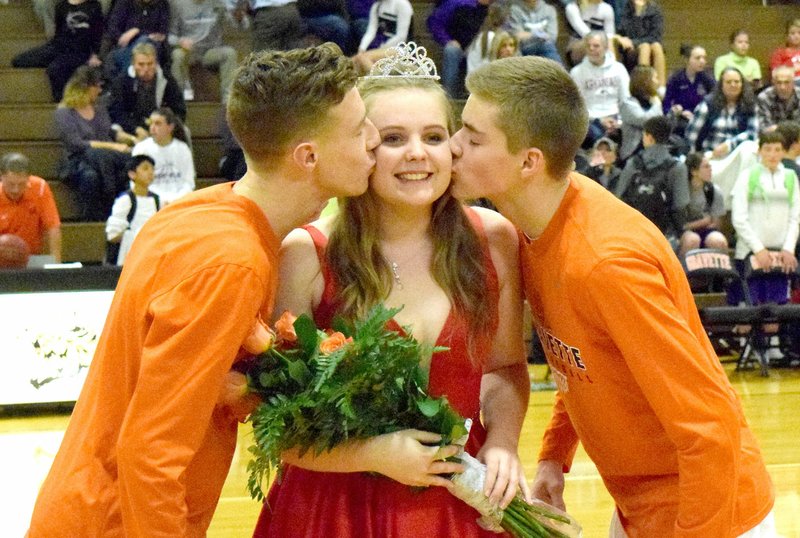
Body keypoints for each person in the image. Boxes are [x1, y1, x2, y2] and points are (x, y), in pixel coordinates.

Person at [27, 43, 380, 537]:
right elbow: (150, 453)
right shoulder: (232, 263)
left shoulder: (199, 212)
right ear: (308, 156)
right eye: (359, 127)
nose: (374, 140)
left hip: (86, 507)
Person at [449, 54, 775, 537]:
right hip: (641, 507)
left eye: (472, 138)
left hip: (711, 514)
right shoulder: (538, 224)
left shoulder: (606, 263)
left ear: (528, 162)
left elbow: (712, 429)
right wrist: (554, 458)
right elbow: (587, 360)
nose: (452, 147)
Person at [253, 52, 530, 537]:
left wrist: (503, 443)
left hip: (460, 501)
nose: (417, 153)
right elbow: (273, 421)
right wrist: (372, 453)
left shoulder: (495, 239)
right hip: (335, 511)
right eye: (393, 139)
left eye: (434, 137)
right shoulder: (306, 254)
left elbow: (505, 367)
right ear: (362, 148)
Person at [54, 65, 131, 221]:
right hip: (79, 160)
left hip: (106, 159)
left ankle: (120, 215)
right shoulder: (64, 112)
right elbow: (76, 144)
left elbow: (110, 132)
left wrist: (132, 139)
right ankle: (94, 219)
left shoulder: (100, 108)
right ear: (87, 88)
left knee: (124, 168)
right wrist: (112, 146)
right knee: (91, 176)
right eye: (97, 86)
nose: (99, 91)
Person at [731, 130, 800, 304]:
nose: (772, 154)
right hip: (750, 254)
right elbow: (739, 218)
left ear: (784, 152)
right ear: (760, 151)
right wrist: (758, 249)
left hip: (780, 256)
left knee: (776, 316)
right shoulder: (747, 176)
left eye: (777, 150)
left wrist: (788, 249)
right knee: (748, 313)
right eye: (768, 149)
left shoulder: (790, 178)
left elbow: (795, 217)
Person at [685, 66, 759, 205]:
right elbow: (691, 136)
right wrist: (695, 161)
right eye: (729, 82)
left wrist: (729, 145)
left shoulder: (751, 104)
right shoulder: (707, 104)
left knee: (750, 148)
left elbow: (752, 134)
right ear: (721, 84)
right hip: (711, 156)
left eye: (737, 82)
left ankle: (739, 194)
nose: (733, 85)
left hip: (737, 157)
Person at [614, 115, 689, 248]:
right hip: (663, 236)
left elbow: (619, 197)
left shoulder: (633, 163)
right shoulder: (677, 167)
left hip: (632, 233)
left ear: (649, 137)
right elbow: (681, 205)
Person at [11, 0, 104, 102]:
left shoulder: (94, 6)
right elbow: (58, 32)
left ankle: (63, 102)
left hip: (80, 51)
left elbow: (98, 34)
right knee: (19, 61)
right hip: (58, 47)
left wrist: (94, 54)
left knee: (54, 70)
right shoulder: (61, 6)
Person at [109, 42, 187, 144]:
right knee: (114, 130)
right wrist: (136, 129)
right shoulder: (122, 81)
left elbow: (179, 110)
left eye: (150, 64)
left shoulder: (167, 80)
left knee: (185, 131)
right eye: (141, 64)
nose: (146, 69)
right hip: (131, 126)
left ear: (156, 63)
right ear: (133, 64)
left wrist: (165, 126)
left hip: (160, 126)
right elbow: (116, 112)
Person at [169, 0, 239, 102]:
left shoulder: (218, 3)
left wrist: (239, 18)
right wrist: (180, 41)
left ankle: (228, 102)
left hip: (210, 51)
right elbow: (170, 36)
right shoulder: (178, 4)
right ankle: (177, 101)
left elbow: (238, 26)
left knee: (230, 53)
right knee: (176, 55)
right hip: (188, 51)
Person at [570, 30, 629, 148]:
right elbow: (576, 106)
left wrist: (620, 122)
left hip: (616, 116)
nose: (591, 49)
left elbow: (626, 100)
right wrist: (599, 120)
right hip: (591, 120)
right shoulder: (576, 72)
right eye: (588, 46)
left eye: (596, 46)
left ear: (606, 47)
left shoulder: (619, 69)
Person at [0, 153, 62, 263]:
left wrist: (56, 266)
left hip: (31, 258)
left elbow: (53, 227)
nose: (16, 190)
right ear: (2, 177)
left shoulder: (40, 188)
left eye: (21, 184)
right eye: (11, 184)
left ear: (28, 178)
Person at [132, 107, 196, 205]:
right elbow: (135, 183)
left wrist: (175, 201)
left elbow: (189, 183)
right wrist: (158, 201)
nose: (152, 128)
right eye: (151, 123)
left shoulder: (183, 149)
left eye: (158, 124)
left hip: (178, 202)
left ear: (170, 127)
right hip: (150, 203)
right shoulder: (141, 149)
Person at [427, 0, 490, 98]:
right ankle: (449, 97)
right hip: (459, 47)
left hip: (484, 46)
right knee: (451, 50)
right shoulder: (457, 3)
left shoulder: (498, 7)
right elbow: (435, 23)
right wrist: (447, 40)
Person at [105, 154, 160, 265]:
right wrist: (135, 237)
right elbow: (112, 235)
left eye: (152, 169)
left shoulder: (157, 200)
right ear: (132, 174)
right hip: (128, 258)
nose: (150, 173)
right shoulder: (126, 200)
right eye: (145, 168)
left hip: (150, 255)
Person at [102, 0, 171, 78]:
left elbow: (161, 34)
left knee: (143, 41)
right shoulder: (124, 2)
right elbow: (112, 28)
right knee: (112, 57)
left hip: (152, 47)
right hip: (126, 46)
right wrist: (124, 37)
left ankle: (127, 81)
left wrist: (136, 31)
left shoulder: (162, 4)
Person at [678, 152, 728, 258]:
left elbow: (716, 223)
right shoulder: (681, 190)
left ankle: (718, 274)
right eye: (706, 167)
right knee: (692, 240)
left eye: (710, 166)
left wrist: (708, 223)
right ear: (694, 171)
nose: (710, 170)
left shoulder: (713, 191)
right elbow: (680, 225)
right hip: (683, 232)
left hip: (707, 231)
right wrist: (702, 222)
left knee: (718, 241)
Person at [662, 43, 715, 136]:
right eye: (698, 58)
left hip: (702, 118)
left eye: (704, 58)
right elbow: (666, 104)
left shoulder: (707, 78)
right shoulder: (675, 78)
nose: (702, 61)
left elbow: (715, 100)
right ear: (687, 60)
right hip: (681, 121)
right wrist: (678, 111)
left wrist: (697, 116)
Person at [615, 0, 665, 90]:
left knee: (657, 46)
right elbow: (623, 32)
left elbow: (656, 36)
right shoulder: (626, 9)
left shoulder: (655, 9)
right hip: (631, 49)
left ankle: (661, 88)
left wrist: (637, 42)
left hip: (648, 43)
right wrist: (637, 13)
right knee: (645, 47)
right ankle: (643, 87)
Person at [353, 0, 413, 73]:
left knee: (363, 58)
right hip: (383, 47)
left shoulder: (402, 4)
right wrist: (362, 49)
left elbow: (401, 36)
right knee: (354, 60)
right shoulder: (377, 6)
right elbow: (371, 31)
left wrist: (382, 49)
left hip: (402, 47)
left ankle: (379, 80)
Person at [618, 65, 662, 162]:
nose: (658, 82)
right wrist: (657, 104)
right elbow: (646, 121)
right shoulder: (627, 104)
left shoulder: (652, 102)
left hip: (654, 153)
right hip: (632, 155)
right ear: (645, 81)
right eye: (655, 78)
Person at [505, 0, 561, 64]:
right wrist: (538, 35)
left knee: (548, 47)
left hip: (546, 48)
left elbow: (552, 36)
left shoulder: (550, 10)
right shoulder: (515, 10)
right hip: (525, 49)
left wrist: (528, 35)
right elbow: (517, 36)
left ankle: (557, 71)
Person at [563, 0, 615, 67]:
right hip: (578, 43)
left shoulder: (607, 8)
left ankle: (613, 69)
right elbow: (585, 33)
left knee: (616, 42)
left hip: (602, 43)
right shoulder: (572, 8)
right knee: (592, 44)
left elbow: (610, 34)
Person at [757, 65, 800, 132]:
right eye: (779, 82)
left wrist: (778, 127)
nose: (783, 87)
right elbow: (764, 128)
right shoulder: (764, 97)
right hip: (773, 139)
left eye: (787, 82)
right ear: (773, 82)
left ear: (793, 83)